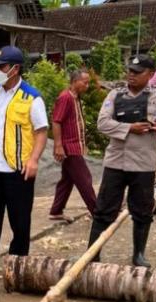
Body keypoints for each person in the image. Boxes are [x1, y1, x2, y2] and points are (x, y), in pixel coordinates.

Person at [87, 54, 156, 267]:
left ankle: (138, 255)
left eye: (137, 72)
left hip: (143, 164)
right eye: (130, 71)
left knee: (142, 211)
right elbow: (102, 123)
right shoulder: (115, 95)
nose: (131, 75)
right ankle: (92, 254)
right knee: (104, 210)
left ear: (150, 75)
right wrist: (129, 128)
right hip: (115, 162)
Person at [0, 45, 48, 279]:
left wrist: (34, 160)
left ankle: (17, 264)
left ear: (15, 69)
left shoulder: (31, 97)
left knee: (20, 220)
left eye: (1, 67)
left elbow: (41, 131)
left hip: (18, 170)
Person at [49, 69, 97, 222]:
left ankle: (56, 210)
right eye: (85, 82)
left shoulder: (76, 98)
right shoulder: (65, 98)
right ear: (75, 81)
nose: (87, 85)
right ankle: (97, 212)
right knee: (85, 179)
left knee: (67, 180)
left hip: (75, 145)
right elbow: (56, 121)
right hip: (70, 147)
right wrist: (58, 146)